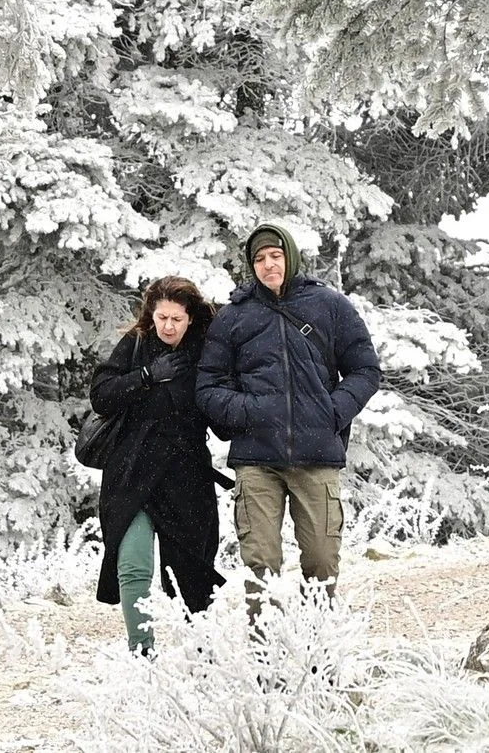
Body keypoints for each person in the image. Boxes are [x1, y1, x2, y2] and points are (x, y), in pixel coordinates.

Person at [195, 223, 381, 609]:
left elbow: (365, 369)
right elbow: (208, 386)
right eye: (260, 259)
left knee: (322, 562)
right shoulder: (233, 317)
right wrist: (250, 411)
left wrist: (331, 412)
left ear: (290, 257)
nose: (269, 265)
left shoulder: (329, 306)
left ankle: (316, 644)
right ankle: (265, 646)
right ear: (252, 265)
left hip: (317, 455)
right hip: (256, 460)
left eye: (276, 256)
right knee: (261, 566)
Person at [90, 275, 229, 655]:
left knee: (192, 575)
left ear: (190, 318)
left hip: (187, 479)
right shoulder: (135, 344)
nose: (168, 326)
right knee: (133, 566)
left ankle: (201, 657)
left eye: (176, 319)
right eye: (161, 317)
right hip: (132, 474)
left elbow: (220, 417)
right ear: (151, 315)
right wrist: (146, 376)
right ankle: (142, 654)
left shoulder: (206, 354)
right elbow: (101, 395)